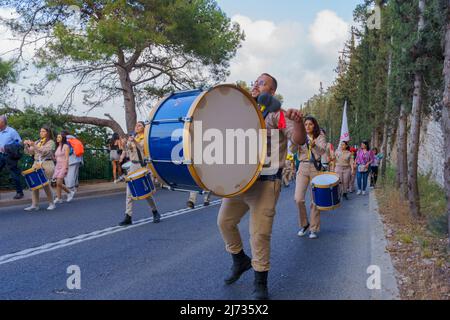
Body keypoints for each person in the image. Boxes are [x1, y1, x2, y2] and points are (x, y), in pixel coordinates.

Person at [217, 73, 306, 300]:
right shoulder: (244, 111)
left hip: (265, 183)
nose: (256, 84)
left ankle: (260, 282)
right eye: (255, 81)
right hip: (240, 182)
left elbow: (297, 140)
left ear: (272, 92)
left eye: (262, 82)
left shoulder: (277, 114)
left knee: (259, 234)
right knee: (225, 222)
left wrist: (298, 122)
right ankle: (239, 261)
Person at [119, 121, 161, 226]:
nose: (137, 127)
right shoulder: (133, 137)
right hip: (132, 166)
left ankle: (155, 211)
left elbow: (142, 149)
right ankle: (128, 216)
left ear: (143, 128)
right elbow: (127, 150)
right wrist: (125, 143)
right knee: (129, 192)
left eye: (139, 125)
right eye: (136, 125)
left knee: (146, 192)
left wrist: (135, 142)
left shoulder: (145, 138)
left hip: (142, 166)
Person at [295, 116, 327, 240]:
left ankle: (313, 228)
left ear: (314, 125)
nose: (307, 126)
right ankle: (304, 224)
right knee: (298, 199)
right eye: (306, 124)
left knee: (315, 200)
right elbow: (292, 149)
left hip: (315, 168)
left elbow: (322, 151)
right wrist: (295, 141)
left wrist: (314, 146)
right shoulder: (300, 136)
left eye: (310, 124)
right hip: (302, 167)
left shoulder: (320, 136)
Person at [23, 126, 56, 211]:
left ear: (47, 133)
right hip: (36, 164)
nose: (41, 133)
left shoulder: (51, 142)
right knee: (34, 184)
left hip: (47, 164)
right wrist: (27, 145)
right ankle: (35, 204)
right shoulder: (38, 141)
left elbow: (44, 152)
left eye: (43, 131)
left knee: (46, 184)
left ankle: (51, 203)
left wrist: (34, 145)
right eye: (40, 131)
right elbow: (30, 152)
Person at [0, 115, 24, 200]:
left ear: (3, 122)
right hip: (0, 155)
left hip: (9, 156)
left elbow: (20, 143)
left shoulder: (12, 131)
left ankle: (19, 192)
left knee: (14, 174)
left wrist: (7, 147)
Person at [52, 132, 74, 203]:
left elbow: (67, 158)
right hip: (57, 166)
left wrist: (66, 167)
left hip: (63, 166)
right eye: (57, 137)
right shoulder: (58, 146)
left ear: (63, 138)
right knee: (58, 183)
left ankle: (70, 192)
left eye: (59, 137)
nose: (57, 138)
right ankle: (59, 198)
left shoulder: (66, 146)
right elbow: (56, 158)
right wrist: (52, 157)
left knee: (58, 183)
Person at [63, 130, 83, 202]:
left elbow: (68, 151)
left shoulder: (66, 140)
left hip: (70, 160)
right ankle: (73, 188)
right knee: (74, 174)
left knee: (69, 175)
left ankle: (70, 189)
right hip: (77, 159)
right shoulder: (75, 139)